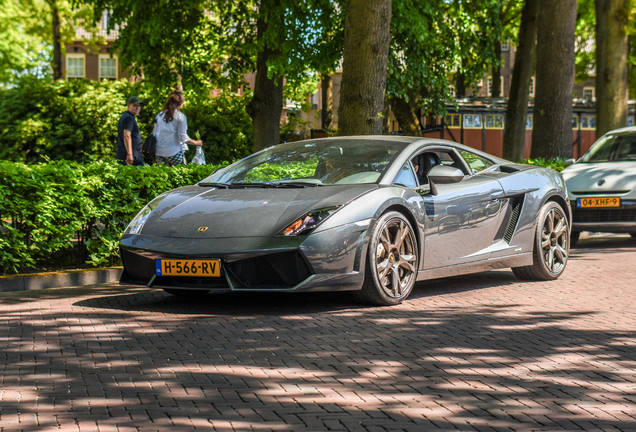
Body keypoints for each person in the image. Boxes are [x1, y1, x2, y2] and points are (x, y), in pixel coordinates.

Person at [154, 91, 202, 166]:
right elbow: (183, 137)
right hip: (174, 152)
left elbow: (154, 133)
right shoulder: (181, 117)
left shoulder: (159, 115)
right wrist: (196, 142)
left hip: (159, 152)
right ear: (181, 104)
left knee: (162, 174)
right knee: (181, 173)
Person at [116, 96, 145, 166]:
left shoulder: (125, 116)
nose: (137, 108)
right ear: (128, 106)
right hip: (131, 158)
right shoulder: (129, 118)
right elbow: (126, 135)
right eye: (135, 105)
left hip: (124, 155)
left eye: (139, 106)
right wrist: (130, 154)